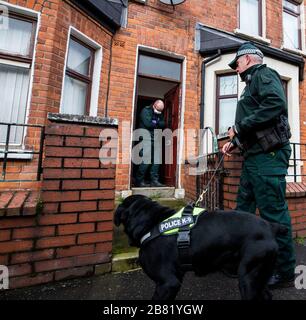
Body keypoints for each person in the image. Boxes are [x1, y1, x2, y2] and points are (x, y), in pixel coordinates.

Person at [222, 42, 296, 288]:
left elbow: (276, 104)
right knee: (243, 208)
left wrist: (240, 128)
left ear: (249, 59)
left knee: (273, 212)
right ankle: (241, 259)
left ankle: (285, 271)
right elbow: (256, 125)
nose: (236, 69)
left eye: (237, 64)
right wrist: (236, 142)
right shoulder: (251, 84)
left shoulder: (264, 74)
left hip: (269, 156)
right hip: (254, 156)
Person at [135, 99, 166, 188]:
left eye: (161, 111)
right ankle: (139, 181)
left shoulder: (160, 113)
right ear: (154, 105)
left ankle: (154, 181)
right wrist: (157, 123)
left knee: (156, 161)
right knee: (146, 160)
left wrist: (155, 122)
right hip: (146, 138)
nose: (159, 112)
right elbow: (148, 124)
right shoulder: (145, 110)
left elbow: (163, 124)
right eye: (158, 110)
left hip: (156, 138)